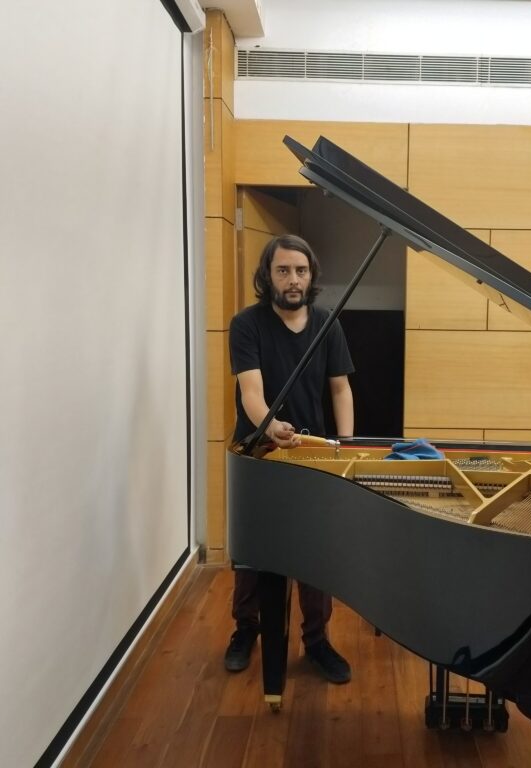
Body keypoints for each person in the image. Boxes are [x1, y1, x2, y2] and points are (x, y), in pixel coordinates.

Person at [224, 233, 355, 684]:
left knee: (315, 553)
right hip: (260, 451)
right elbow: (251, 393)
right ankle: (247, 630)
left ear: (311, 274)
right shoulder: (247, 324)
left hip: (313, 455)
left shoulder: (328, 323)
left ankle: (316, 641)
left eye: (301, 270)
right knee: (255, 552)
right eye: (283, 270)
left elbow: (340, 388)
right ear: (268, 275)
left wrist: (345, 448)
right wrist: (271, 426)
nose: (293, 279)